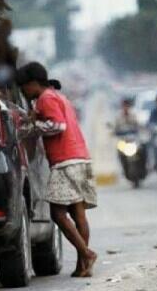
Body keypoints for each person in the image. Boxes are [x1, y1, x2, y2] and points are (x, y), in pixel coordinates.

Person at [16, 62, 98, 277]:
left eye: (24, 87)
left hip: (65, 160)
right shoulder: (59, 96)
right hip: (79, 156)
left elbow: (58, 125)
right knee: (77, 213)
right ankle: (83, 266)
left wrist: (31, 128)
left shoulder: (46, 98)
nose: (24, 93)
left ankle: (86, 254)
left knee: (58, 214)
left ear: (33, 84)